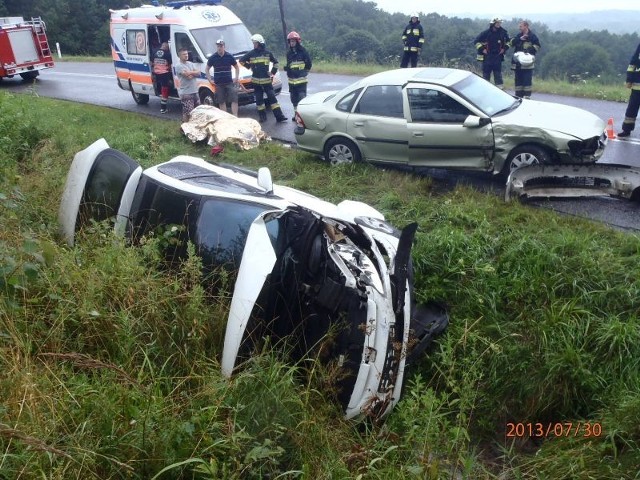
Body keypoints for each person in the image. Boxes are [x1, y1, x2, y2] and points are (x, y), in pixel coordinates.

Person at [239, 33, 287, 123]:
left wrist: (272, 72)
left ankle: (279, 117)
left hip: (267, 81)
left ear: (260, 43)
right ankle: (262, 117)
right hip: (256, 82)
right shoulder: (251, 53)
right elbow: (241, 61)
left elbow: (276, 63)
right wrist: (249, 66)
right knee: (259, 101)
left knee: (272, 99)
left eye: (255, 43)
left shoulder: (267, 53)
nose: (254, 45)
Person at [206, 38, 240, 116]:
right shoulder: (213, 57)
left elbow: (236, 67)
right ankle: (225, 118)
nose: (219, 48)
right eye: (218, 46)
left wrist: (236, 77)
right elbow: (207, 69)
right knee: (221, 101)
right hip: (219, 83)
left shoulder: (229, 56)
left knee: (234, 99)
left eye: (221, 46)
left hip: (229, 82)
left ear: (224, 47)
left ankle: (235, 116)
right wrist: (210, 80)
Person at [284, 31, 312, 121]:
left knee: (301, 98)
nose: (292, 43)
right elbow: (289, 65)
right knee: (294, 99)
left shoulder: (303, 51)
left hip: (301, 81)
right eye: (290, 41)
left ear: (297, 41)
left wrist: (304, 72)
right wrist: (287, 69)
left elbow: (309, 63)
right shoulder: (289, 53)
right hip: (291, 81)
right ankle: (296, 115)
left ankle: (302, 116)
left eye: (293, 41)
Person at [474, 18, 510, 89]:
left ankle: (500, 90)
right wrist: (482, 49)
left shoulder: (503, 33)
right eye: (497, 23)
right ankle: (485, 90)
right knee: (486, 75)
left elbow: (509, 42)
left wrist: (504, 48)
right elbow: (476, 41)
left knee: (498, 75)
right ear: (493, 23)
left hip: (498, 56)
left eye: (500, 23)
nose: (499, 24)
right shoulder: (486, 33)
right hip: (487, 56)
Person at [509, 20, 540, 99]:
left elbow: (537, 46)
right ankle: (518, 97)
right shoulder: (519, 35)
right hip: (518, 64)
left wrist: (528, 51)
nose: (519, 28)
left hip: (527, 64)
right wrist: (520, 39)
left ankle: (527, 97)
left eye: (521, 26)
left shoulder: (532, 36)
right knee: (518, 81)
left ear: (526, 26)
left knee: (527, 81)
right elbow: (511, 43)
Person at [618, 42, 640, 138]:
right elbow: (632, 63)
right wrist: (629, 79)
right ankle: (626, 130)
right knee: (631, 109)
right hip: (637, 87)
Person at [175, 48, 200, 122]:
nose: (186, 55)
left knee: (198, 111)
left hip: (195, 91)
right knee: (188, 113)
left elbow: (199, 73)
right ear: (179, 56)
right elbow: (188, 76)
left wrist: (190, 72)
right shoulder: (178, 66)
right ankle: (185, 128)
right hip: (186, 93)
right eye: (184, 54)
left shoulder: (191, 63)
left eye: (187, 54)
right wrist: (193, 72)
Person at [152, 41, 172, 114]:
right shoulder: (167, 54)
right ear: (166, 47)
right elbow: (170, 65)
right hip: (164, 73)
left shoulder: (154, 52)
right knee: (165, 91)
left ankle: (163, 106)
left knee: (161, 89)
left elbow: (151, 62)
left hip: (156, 73)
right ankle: (163, 108)